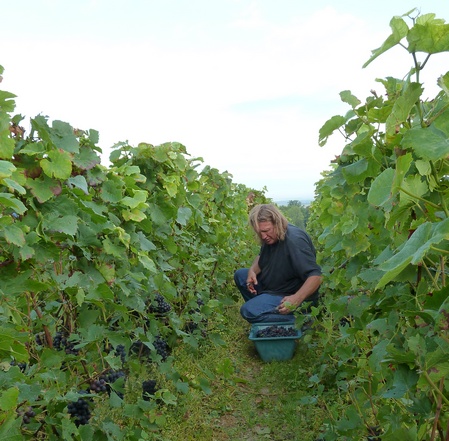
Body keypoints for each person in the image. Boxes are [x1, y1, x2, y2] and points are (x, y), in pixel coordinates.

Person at [234, 204, 322, 323]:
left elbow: (316, 276)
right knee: (241, 275)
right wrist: (252, 271)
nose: (263, 236)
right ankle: (267, 315)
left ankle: (303, 320)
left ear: (277, 223)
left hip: (289, 294)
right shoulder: (271, 236)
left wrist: (296, 299)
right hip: (273, 288)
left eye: (266, 231)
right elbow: (261, 257)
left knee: (248, 311)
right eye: (259, 233)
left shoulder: (295, 240)